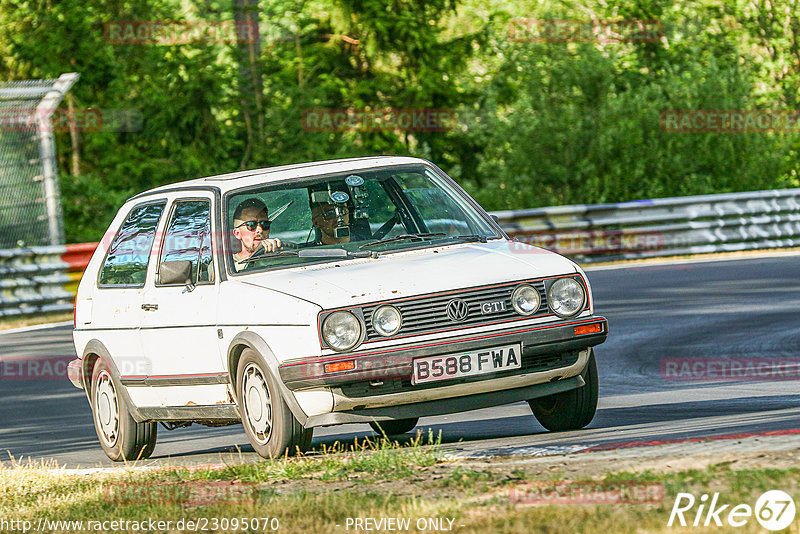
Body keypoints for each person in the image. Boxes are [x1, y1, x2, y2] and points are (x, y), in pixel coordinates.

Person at [231, 198, 281, 272]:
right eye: (251, 225)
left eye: (264, 224)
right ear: (237, 233)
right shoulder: (225, 263)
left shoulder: (282, 255)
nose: (260, 230)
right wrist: (255, 256)